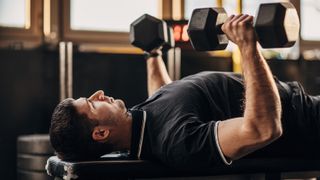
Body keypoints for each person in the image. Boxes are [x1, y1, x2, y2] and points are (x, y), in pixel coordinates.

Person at [50, 14, 320, 168]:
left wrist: (152, 54)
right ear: (101, 133)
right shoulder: (176, 141)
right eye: (92, 103)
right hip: (311, 123)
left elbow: (167, 95)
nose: (99, 94)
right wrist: (247, 46)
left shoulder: (144, 122)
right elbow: (262, 129)